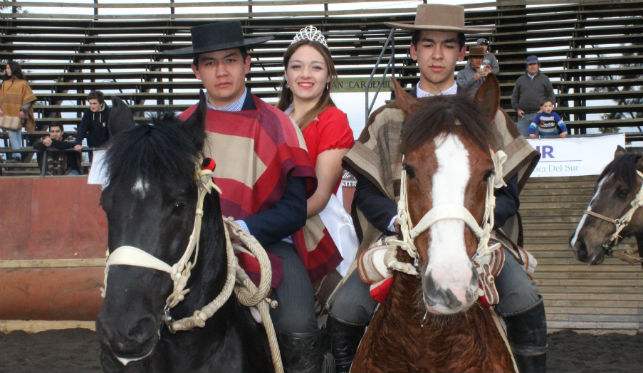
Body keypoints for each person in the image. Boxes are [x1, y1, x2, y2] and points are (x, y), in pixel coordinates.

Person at [328, 4, 547, 373]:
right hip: (398, 238)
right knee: (345, 308)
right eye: (428, 44)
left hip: (479, 236)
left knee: (524, 298)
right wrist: (398, 224)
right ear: (414, 51)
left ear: (462, 53)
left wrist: (475, 227)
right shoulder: (387, 118)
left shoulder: (487, 115)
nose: (437, 54)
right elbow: (365, 192)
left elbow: (508, 193)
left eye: (448, 45)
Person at [165, 21, 341, 373]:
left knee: (297, 326)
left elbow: (293, 210)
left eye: (230, 60)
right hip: (194, 251)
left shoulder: (277, 124)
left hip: (266, 244)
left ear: (246, 64)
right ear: (196, 70)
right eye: (210, 63)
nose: (221, 71)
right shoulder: (179, 130)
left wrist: (241, 228)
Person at [276, 25, 358, 278]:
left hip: (315, 229)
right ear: (287, 74)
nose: (306, 74)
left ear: (329, 76)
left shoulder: (334, 120)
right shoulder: (272, 118)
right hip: (270, 225)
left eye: (316, 67)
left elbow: (320, 195)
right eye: (297, 66)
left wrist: (268, 225)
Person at [0, 61, 36, 162]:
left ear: (13, 68)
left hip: (18, 113)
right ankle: (18, 155)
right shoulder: (5, 84)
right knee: (16, 133)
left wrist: (23, 110)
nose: (6, 70)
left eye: (8, 68)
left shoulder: (23, 84)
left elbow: (29, 98)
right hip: (7, 113)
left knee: (13, 132)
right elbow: (1, 98)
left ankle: (16, 155)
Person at [511, 55, 555, 137]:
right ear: (527, 67)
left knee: (541, 142)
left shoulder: (545, 79)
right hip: (523, 116)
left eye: (534, 64)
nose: (532, 66)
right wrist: (517, 109)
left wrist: (544, 108)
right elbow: (514, 98)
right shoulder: (520, 80)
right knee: (523, 142)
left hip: (540, 115)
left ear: (538, 65)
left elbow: (551, 96)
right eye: (530, 64)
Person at [73, 90, 111, 158]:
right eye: (90, 103)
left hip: (106, 148)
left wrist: (111, 143)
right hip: (92, 147)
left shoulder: (109, 113)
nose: (92, 106)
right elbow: (82, 127)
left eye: (94, 103)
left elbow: (112, 129)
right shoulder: (88, 112)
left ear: (101, 103)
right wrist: (78, 142)